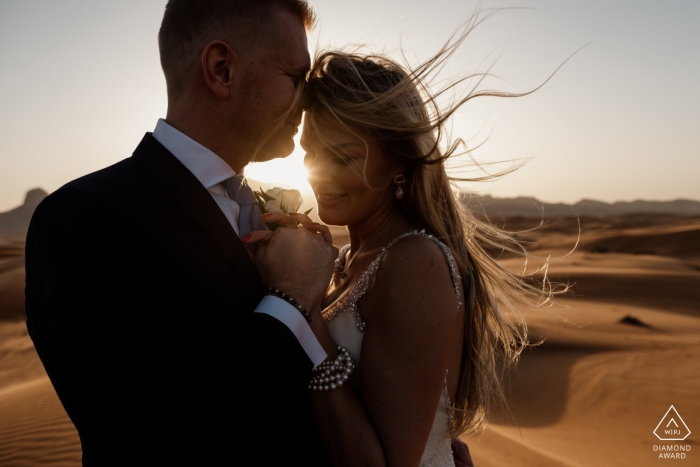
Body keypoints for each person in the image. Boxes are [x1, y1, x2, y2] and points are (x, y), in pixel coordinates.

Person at [25, 1, 338, 465]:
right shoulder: (82, 220)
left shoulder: (269, 206)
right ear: (221, 69)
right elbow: (160, 442)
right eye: (295, 77)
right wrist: (288, 298)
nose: (307, 100)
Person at [252, 25, 558, 467]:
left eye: (343, 156)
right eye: (309, 152)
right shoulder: (348, 259)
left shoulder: (416, 263)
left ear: (398, 161)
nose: (318, 172)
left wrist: (304, 309)